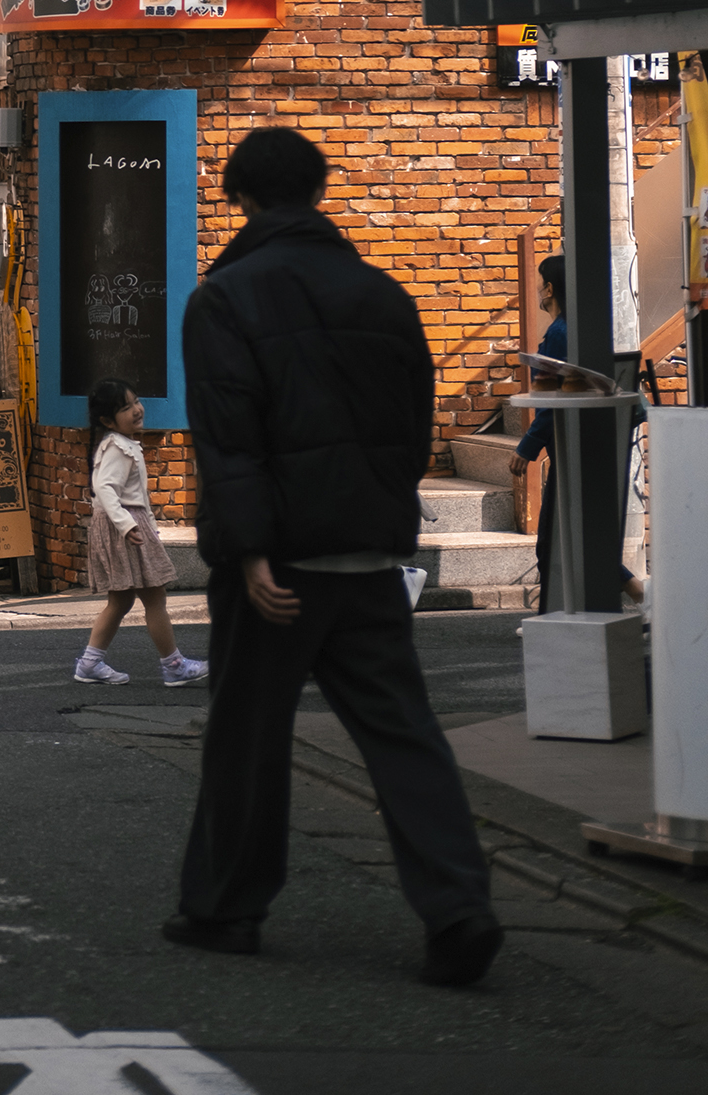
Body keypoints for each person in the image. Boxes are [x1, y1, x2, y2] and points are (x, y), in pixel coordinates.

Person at [166, 125, 501, 988]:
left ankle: (228, 909)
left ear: (239, 196)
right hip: (368, 558)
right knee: (403, 735)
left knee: (248, 736)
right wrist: (388, 531)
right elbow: (407, 428)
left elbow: (229, 440)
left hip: (279, 566)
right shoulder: (383, 295)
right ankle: (460, 907)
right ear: (318, 192)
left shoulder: (225, 298)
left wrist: (247, 553)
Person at [75, 377, 207, 689]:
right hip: (124, 526)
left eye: (136, 401)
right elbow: (104, 489)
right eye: (126, 407)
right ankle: (174, 665)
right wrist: (129, 525)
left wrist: (146, 525)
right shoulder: (118, 447)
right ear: (108, 420)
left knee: (120, 601)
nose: (136, 410)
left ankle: (90, 662)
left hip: (126, 524)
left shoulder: (119, 444)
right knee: (154, 597)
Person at [511, 252, 566, 610]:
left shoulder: (560, 332)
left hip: (566, 442)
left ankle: (550, 614)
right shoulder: (569, 328)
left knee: (551, 538)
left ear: (548, 288)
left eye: (538, 282)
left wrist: (528, 445)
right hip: (571, 441)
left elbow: (553, 397)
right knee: (560, 534)